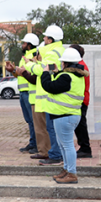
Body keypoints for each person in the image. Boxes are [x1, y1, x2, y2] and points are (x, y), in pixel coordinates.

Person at [40, 47, 88, 184]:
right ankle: (67, 169)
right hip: (68, 115)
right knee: (63, 145)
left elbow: (49, 86)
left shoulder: (67, 77)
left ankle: (71, 173)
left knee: (67, 145)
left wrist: (45, 73)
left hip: (64, 115)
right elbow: (62, 86)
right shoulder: (75, 76)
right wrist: (56, 73)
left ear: (65, 63)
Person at [27, 25, 65, 166]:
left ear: (50, 39)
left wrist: (29, 65)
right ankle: (55, 153)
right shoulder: (58, 50)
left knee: (52, 128)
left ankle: (55, 155)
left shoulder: (52, 53)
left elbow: (42, 71)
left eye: (45, 37)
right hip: (51, 95)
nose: (43, 39)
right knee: (52, 128)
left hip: (49, 96)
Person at [6, 33, 40, 154]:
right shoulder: (26, 56)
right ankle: (33, 143)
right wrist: (13, 71)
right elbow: (21, 73)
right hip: (24, 92)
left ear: (29, 45)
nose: (22, 45)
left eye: (24, 43)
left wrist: (16, 70)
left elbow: (28, 73)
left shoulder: (34, 55)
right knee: (30, 121)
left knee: (33, 120)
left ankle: (36, 144)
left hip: (30, 92)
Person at [70, 44, 92, 159]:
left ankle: (85, 148)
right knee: (80, 124)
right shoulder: (81, 65)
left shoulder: (80, 66)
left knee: (81, 125)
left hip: (81, 100)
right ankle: (84, 147)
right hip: (82, 99)